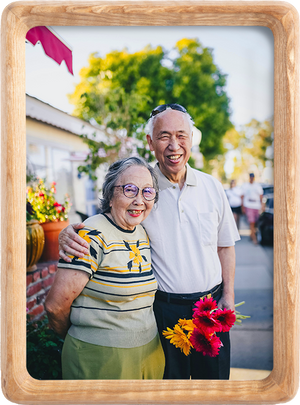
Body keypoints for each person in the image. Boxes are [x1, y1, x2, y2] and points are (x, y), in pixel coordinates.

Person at [58, 103, 240, 380]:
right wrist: (67, 231)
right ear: (150, 142)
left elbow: (225, 245)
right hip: (163, 312)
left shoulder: (212, 186)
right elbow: (110, 217)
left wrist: (228, 296)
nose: (174, 145)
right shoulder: (141, 188)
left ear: (191, 139)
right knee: (170, 392)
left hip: (210, 307)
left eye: (181, 135)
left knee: (214, 388)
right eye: (164, 136)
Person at [45, 156, 165, 380]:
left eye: (147, 191)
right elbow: (55, 307)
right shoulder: (91, 234)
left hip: (149, 354)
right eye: (130, 189)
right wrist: (83, 337)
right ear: (110, 194)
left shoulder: (142, 232)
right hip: (99, 360)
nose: (139, 200)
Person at [241, 173, 263, 245]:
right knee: (252, 222)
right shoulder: (245, 186)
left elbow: (261, 196)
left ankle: (251, 235)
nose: (251, 178)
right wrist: (243, 207)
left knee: (255, 222)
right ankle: (254, 239)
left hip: (256, 206)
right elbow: (242, 196)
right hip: (249, 205)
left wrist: (262, 206)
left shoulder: (257, 186)